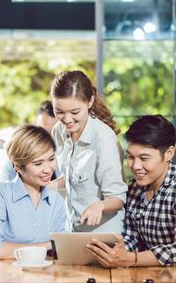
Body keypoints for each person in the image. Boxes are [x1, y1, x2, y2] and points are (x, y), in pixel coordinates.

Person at [86, 114, 176, 267]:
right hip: (153, 274)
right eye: (131, 157)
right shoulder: (134, 187)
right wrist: (114, 252)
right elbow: (133, 239)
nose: (135, 166)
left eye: (144, 158)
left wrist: (130, 259)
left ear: (169, 153)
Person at [50, 70, 127, 233]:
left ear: (90, 101)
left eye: (75, 112)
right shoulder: (58, 131)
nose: (67, 119)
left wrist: (100, 206)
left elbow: (118, 198)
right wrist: (47, 186)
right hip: (73, 229)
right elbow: (74, 176)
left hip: (104, 234)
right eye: (59, 112)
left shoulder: (104, 139)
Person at [0, 124, 66, 260]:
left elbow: (63, 250)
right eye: (38, 163)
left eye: (51, 159)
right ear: (18, 166)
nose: (48, 169)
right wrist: (48, 245)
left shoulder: (57, 201)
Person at [0, 100, 58, 182]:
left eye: (54, 133)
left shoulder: (67, 156)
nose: (48, 139)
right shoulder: (17, 156)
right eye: (43, 132)